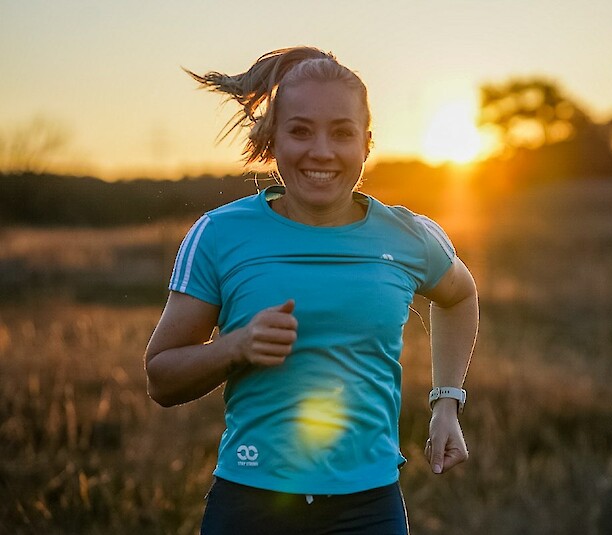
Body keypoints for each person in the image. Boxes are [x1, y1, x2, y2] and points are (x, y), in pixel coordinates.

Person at [144, 46, 479, 534]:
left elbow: (460, 296)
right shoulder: (219, 234)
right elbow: (160, 379)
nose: (321, 151)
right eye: (300, 131)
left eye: (341, 133)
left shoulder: (407, 237)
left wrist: (447, 401)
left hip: (369, 508)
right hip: (251, 504)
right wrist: (235, 347)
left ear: (366, 144)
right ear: (271, 139)